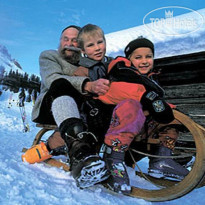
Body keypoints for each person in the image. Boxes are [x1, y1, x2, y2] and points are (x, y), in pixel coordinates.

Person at [97, 36, 189, 194]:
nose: (145, 61)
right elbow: (114, 91)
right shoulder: (121, 72)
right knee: (131, 106)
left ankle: (162, 160)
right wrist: (147, 97)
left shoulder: (150, 80)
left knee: (172, 114)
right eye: (138, 57)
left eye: (149, 56)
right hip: (112, 129)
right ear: (129, 59)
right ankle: (112, 158)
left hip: (140, 136)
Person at [22, 25, 110, 188]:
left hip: (80, 108)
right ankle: (79, 152)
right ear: (60, 41)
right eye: (65, 39)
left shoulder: (89, 61)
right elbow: (51, 79)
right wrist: (87, 84)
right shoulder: (50, 56)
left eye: (75, 40)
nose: (69, 43)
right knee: (60, 82)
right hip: (50, 105)